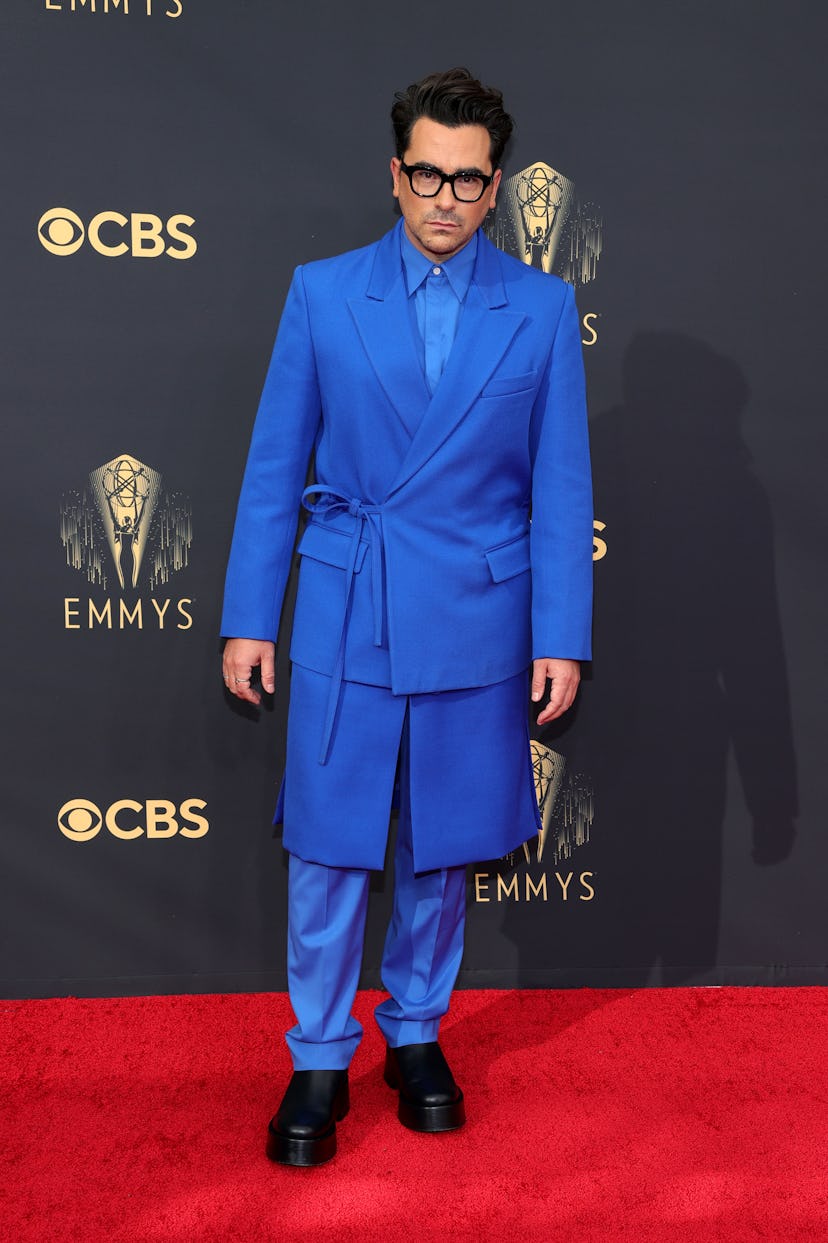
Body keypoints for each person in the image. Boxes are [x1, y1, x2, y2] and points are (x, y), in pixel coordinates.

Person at [221, 67, 593, 1166]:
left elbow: (561, 486)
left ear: (494, 189)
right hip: (346, 596)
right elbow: (272, 467)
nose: (444, 196)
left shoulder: (538, 307)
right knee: (331, 848)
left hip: (476, 612)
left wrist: (560, 633)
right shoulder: (323, 293)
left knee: (440, 848)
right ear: (395, 173)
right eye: (425, 173)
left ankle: (417, 1034)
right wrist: (252, 616)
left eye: (468, 180)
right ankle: (321, 1053)